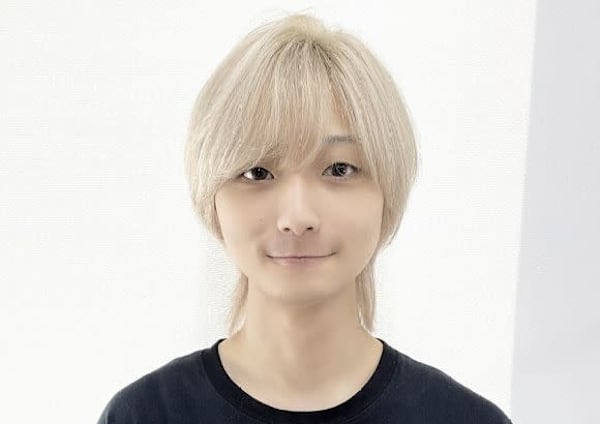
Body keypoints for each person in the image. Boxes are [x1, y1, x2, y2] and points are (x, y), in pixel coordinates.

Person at [97, 12, 512, 423]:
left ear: (388, 189)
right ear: (212, 197)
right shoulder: (146, 414)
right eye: (257, 172)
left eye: (339, 169)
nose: (297, 217)